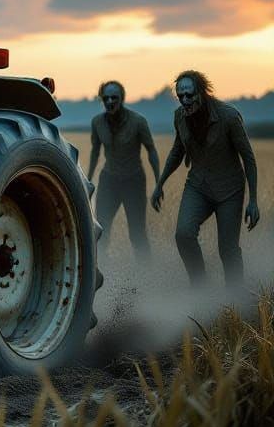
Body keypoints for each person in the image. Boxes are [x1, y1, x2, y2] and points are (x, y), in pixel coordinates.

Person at [151, 70, 260, 286]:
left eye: (189, 95)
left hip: (230, 190)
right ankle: (200, 288)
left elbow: (248, 157)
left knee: (227, 250)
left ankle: (235, 299)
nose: (185, 100)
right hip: (198, 186)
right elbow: (176, 152)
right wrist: (160, 184)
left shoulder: (229, 116)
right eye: (180, 96)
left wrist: (254, 201)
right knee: (183, 234)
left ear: (202, 92)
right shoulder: (180, 117)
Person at [86, 80, 160, 259]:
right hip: (109, 180)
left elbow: (151, 150)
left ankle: (147, 273)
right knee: (101, 230)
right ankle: (102, 273)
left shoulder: (138, 121)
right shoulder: (97, 122)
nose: (110, 101)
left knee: (137, 233)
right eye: (106, 98)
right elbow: (95, 152)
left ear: (122, 99)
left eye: (114, 98)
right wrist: (87, 181)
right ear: (101, 99)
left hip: (133, 180)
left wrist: (159, 183)